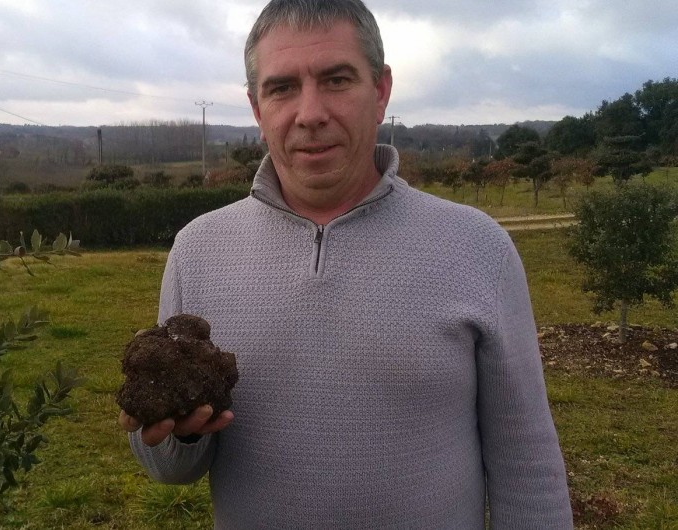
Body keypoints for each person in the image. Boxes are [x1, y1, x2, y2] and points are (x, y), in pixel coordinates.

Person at [119, 0, 574, 527]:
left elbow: (528, 465)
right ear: (255, 107)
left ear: (380, 92)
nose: (310, 113)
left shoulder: (476, 247)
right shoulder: (198, 250)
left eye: (336, 79)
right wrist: (184, 431)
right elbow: (168, 468)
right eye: (282, 87)